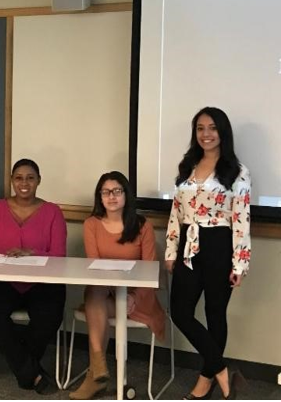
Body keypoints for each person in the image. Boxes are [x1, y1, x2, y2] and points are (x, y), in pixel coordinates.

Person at [0, 158, 66, 394]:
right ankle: (31, 372)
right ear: (12, 181)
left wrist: (31, 252)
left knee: (50, 315)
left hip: (42, 283)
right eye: (18, 178)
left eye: (30, 177)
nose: (24, 183)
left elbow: (59, 255)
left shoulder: (52, 212)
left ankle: (25, 368)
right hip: (3, 282)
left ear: (39, 181)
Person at [165, 107, 250, 400]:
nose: (206, 134)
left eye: (212, 128)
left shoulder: (237, 172)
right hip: (188, 243)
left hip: (219, 244)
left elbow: (241, 219)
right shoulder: (187, 166)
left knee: (215, 313)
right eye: (200, 128)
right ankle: (222, 369)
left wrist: (240, 263)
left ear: (222, 131)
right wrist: (170, 248)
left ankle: (206, 378)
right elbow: (177, 212)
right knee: (180, 312)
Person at [69, 171, 165, 399]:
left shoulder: (143, 226)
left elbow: (150, 269)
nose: (111, 196)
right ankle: (98, 368)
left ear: (126, 195)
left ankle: (95, 373)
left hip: (137, 297)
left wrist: (134, 296)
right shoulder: (91, 224)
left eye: (117, 191)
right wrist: (113, 288)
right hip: (105, 291)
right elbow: (95, 266)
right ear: (99, 197)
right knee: (95, 291)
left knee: (94, 303)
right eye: (105, 192)